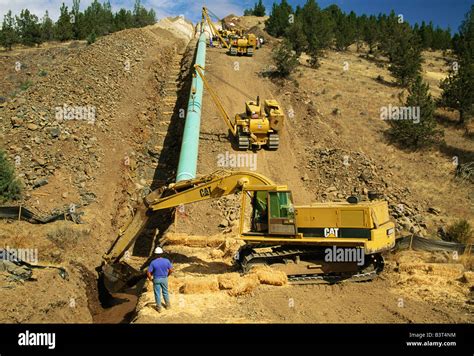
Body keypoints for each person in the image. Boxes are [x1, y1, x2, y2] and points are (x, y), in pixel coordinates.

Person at [147, 246, 173, 312]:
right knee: (165, 292)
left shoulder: (153, 262)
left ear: (155, 254)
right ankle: (168, 306)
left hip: (156, 279)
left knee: (157, 294)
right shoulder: (167, 261)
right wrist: (167, 275)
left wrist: (150, 279)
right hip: (164, 278)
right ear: (162, 254)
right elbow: (171, 270)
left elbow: (148, 272)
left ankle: (159, 308)